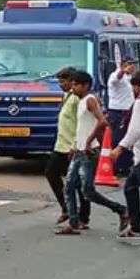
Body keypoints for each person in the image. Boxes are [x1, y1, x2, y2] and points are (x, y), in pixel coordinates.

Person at [56, 71, 128, 236]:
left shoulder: (89, 100)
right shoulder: (81, 101)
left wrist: (88, 141)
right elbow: (83, 125)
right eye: (72, 84)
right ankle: (73, 223)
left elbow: (102, 121)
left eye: (76, 85)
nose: (72, 87)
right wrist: (76, 145)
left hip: (89, 152)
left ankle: (121, 210)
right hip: (79, 151)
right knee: (69, 187)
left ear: (85, 86)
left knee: (88, 191)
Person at [45, 67, 90, 226]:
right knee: (52, 173)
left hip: (72, 146)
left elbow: (81, 124)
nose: (60, 85)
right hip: (61, 145)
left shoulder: (77, 100)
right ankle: (67, 208)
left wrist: (75, 144)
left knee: (78, 183)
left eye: (63, 81)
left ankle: (82, 216)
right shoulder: (67, 96)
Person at [112, 70, 140, 239]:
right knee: (130, 187)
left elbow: (134, 130)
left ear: (137, 87)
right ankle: (136, 228)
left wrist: (120, 147)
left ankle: (136, 228)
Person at [107, 56, 137, 174]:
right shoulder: (115, 76)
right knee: (118, 139)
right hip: (117, 112)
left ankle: (126, 164)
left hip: (128, 111)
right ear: (124, 65)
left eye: (133, 64)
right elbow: (116, 79)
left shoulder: (128, 78)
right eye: (130, 64)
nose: (133, 66)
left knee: (129, 138)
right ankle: (118, 166)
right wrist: (122, 70)